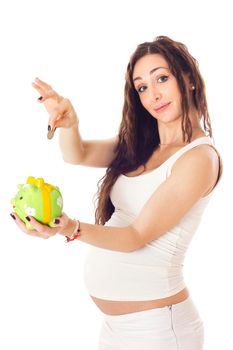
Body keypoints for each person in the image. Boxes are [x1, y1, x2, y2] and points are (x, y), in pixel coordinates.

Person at [11, 35, 223, 349]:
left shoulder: (198, 159)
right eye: (142, 87)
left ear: (188, 79)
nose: (154, 95)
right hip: (117, 328)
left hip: (159, 329)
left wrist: (70, 228)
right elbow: (77, 154)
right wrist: (70, 122)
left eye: (161, 78)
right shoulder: (142, 147)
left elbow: (135, 236)